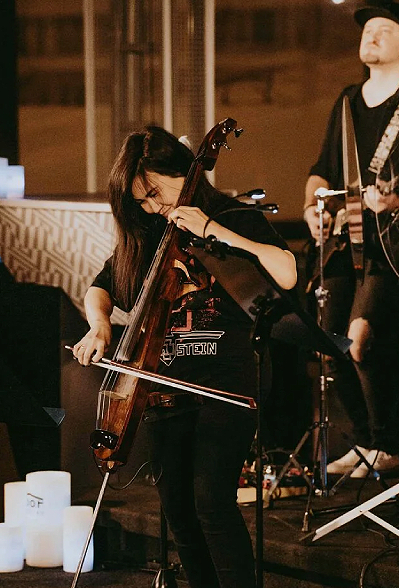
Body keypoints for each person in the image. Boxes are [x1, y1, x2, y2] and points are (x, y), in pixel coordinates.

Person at [72, 125, 296, 588]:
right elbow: (101, 286)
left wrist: (213, 230)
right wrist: (99, 325)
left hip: (227, 380)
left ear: (181, 171)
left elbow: (287, 272)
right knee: (178, 510)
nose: (151, 207)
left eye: (154, 193)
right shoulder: (150, 231)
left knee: (211, 502)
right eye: (141, 202)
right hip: (163, 387)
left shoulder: (233, 215)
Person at [304, 2, 399, 477]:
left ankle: (390, 445)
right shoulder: (347, 101)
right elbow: (320, 170)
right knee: (329, 342)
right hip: (345, 240)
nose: (372, 35)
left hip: (393, 245)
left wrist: (397, 200)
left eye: (385, 29)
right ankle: (365, 440)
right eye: (367, 30)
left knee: (361, 338)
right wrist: (312, 209)